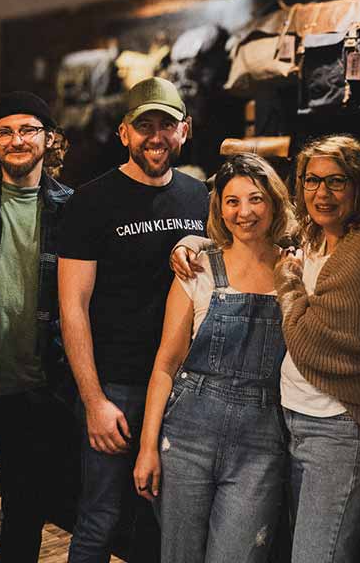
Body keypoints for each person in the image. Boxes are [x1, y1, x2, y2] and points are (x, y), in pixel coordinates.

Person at [59, 77, 209, 563]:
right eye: (145, 126)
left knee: (165, 520)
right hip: (117, 387)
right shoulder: (91, 200)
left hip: (184, 388)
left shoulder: (201, 198)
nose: (156, 136)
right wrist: (94, 400)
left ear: (184, 130)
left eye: (167, 124)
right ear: (124, 132)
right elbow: (72, 307)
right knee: (100, 518)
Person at [133, 153, 296, 562]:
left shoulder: (294, 270)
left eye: (256, 199)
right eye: (232, 201)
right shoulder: (199, 268)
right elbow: (166, 365)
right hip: (187, 435)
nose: (245, 212)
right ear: (219, 209)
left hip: (261, 442)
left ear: (274, 202)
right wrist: (147, 447)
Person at [0, 91, 78, 562]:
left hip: (35, 383)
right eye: (4, 132)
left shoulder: (72, 209)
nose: (16, 140)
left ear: (49, 138)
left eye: (27, 129)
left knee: (25, 512)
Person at [272, 134, 360, 563]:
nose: (321, 193)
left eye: (336, 181)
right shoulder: (314, 236)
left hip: (340, 426)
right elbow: (252, 227)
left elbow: (308, 341)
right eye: (312, 180)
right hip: (296, 416)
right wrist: (192, 242)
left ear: (359, 186)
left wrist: (287, 282)